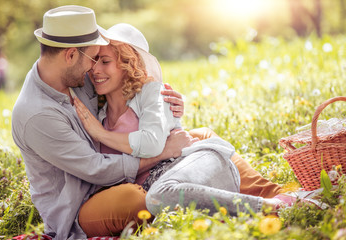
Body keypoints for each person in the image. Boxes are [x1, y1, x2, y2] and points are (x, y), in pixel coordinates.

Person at [74, 23, 288, 236]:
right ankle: (252, 210)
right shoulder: (100, 115)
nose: (95, 69)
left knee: (159, 195)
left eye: (105, 61)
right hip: (174, 190)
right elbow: (115, 171)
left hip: (195, 166)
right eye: (94, 61)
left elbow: (151, 143)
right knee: (159, 200)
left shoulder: (150, 92)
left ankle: (273, 205)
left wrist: (101, 134)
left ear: (127, 64)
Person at [11, 6, 194, 240]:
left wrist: (165, 103)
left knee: (201, 138)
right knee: (134, 200)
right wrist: (161, 153)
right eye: (92, 58)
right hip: (80, 208)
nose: (94, 68)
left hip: (116, 176)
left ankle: (256, 197)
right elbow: (95, 169)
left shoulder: (74, 74)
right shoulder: (35, 115)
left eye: (99, 59)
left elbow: (124, 75)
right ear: (70, 56)